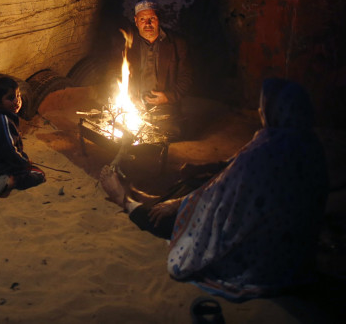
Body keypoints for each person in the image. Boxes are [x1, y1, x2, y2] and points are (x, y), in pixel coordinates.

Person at [100, 78, 329, 301]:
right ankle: (153, 199)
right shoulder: (311, 147)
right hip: (296, 259)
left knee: (171, 215)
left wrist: (177, 204)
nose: (260, 111)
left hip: (258, 259)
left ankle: (124, 199)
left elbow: (216, 192)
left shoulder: (264, 154)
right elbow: (232, 168)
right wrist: (207, 166)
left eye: (263, 107)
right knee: (194, 182)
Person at [127, 0, 192, 140]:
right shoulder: (128, 43)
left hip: (164, 105)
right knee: (120, 129)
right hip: (134, 103)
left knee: (169, 133)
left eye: (152, 18)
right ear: (136, 21)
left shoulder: (177, 43)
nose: (148, 24)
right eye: (143, 19)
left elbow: (186, 78)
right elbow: (115, 75)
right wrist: (131, 96)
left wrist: (167, 97)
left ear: (159, 20)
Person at [0, 75, 46, 197]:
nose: (17, 101)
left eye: (18, 95)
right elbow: (9, 150)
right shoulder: (4, 121)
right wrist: (24, 161)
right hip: (1, 166)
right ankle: (11, 181)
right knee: (39, 174)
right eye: (10, 98)